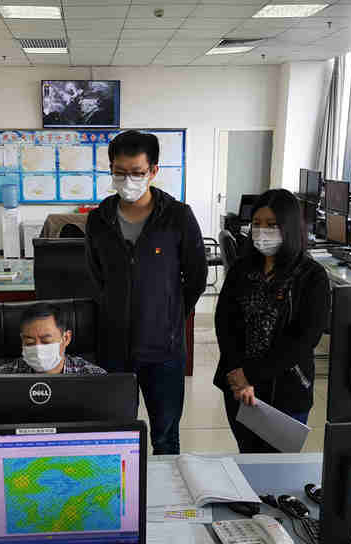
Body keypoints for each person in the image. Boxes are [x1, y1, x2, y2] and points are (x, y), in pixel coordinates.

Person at [85, 130, 207, 455]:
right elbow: (96, 276)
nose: (128, 180)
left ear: (153, 170)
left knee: (165, 437)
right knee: (114, 435)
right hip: (114, 347)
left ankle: (164, 503)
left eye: (137, 173)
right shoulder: (99, 220)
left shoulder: (178, 216)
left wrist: (169, 315)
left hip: (163, 350)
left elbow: (196, 277)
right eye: (119, 172)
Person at [214, 189, 330, 453]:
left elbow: (304, 339)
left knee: (278, 468)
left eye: (271, 225)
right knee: (247, 456)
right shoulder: (243, 269)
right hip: (238, 387)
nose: (261, 231)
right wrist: (237, 373)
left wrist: (250, 375)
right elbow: (225, 322)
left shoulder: (311, 276)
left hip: (286, 389)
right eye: (256, 224)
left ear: (288, 227)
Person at [0, 303, 106, 375]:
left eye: (46, 341)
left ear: (66, 338)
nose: (38, 349)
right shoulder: (3, 376)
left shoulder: (93, 376)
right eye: (29, 342)